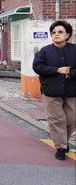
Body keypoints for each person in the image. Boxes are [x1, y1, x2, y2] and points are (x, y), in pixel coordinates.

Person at [32, 20, 76, 161]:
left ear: (68, 34)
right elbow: (37, 67)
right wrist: (57, 70)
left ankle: (64, 141)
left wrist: (70, 73)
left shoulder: (74, 49)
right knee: (56, 120)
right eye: (54, 32)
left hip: (71, 90)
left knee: (71, 120)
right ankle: (60, 147)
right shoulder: (45, 51)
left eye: (60, 32)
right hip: (51, 90)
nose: (56, 34)